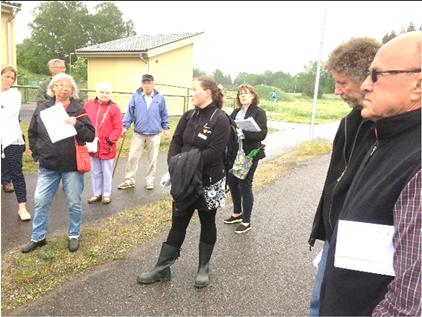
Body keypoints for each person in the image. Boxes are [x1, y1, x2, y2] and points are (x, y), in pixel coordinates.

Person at [320, 31, 421, 316]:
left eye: (375, 75)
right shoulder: (384, 134)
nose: (365, 85)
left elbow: (409, 306)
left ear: (418, 84)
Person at [307, 37, 381, 316]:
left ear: (367, 79)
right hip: (336, 234)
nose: (337, 91)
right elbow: (335, 181)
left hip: (365, 243)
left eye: (342, 83)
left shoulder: (387, 126)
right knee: (318, 304)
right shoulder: (349, 122)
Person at [136, 76, 230, 288]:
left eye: (195, 89)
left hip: (209, 181)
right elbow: (176, 141)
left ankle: (203, 268)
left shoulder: (220, 118)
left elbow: (215, 152)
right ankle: (162, 269)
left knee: (208, 222)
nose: (191, 92)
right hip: (183, 180)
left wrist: (185, 162)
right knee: (178, 221)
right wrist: (174, 163)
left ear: (207, 93)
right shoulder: (188, 116)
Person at [22, 73, 95, 253]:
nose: (64, 88)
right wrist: (38, 154)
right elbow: (33, 133)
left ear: (72, 90)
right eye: (60, 85)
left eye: (68, 85)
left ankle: (73, 235)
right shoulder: (42, 107)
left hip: (71, 166)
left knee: (74, 203)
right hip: (48, 166)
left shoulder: (79, 110)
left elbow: (91, 135)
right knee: (40, 201)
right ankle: (38, 238)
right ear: (53, 88)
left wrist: (77, 124)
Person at [223, 84, 267, 233]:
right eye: (240, 94)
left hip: (250, 154)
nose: (243, 96)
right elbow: (228, 130)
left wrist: (245, 132)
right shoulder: (235, 112)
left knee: (244, 185)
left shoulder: (259, 112)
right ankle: (237, 213)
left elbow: (262, 134)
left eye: (246, 93)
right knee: (232, 182)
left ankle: (246, 221)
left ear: (253, 96)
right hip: (235, 155)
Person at [117, 74, 170, 190]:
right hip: (138, 133)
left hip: (155, 134)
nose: (147, 85)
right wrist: (125, 126)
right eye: (144, 83)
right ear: (141, 84)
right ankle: (129, 180)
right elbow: (129, 113)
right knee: (132, 157)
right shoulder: (135, 97)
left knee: (153, 159)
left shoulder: (160, 98)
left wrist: (166, 129)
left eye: (149, 83)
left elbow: (164, 114)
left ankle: (149, 180)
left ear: (153, 84)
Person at [0, 65, 31, 221]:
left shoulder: (15, 95)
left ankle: (22, 207)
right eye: (7, 76)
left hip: (12, 139)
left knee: (16, 173)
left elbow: (9, 113)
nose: (9, 80)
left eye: (12, 78)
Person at [83, 82, 123, 204]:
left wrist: (111, 140)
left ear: (110, 94)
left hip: (107, 145)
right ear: (97, 93)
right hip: (92, 144)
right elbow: (83, 121)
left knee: (106, 171)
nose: (104, 95)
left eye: (107, 93)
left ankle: (106, 194)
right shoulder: (88, 105)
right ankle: (97, 193)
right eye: (102, 92)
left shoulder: (114, 108)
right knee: (95, 171)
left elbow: (118, 126)